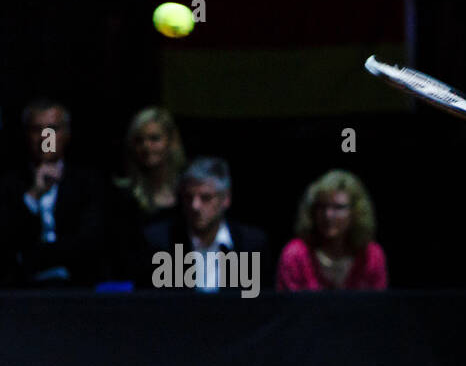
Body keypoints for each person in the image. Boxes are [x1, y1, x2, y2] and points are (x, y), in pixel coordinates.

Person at [0, 98, 107, 287]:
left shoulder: (89, 182)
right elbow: (6, 242)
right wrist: (33, 196)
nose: (44, 137)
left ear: (67, 134)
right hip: (21, 290)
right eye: (36, 129)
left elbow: (90, 244)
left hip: (79, 288)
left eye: (53, 129)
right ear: (26, 135)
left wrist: (32, 256)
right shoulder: (9, 184)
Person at [140, 157, 267, 292]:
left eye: (205, 198)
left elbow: (260, 305)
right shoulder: (159, 243)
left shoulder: (251, 245)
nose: (195, 206)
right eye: (189, 197)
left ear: (226, 199)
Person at [108, 106, 186, 281]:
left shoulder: (189, 192)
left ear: (171, 141)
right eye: (139, 140)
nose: (146, 147)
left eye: (154, 139)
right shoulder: (122, 196)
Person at [276, 170, 387, 291]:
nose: (328, 215)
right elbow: (287, 307)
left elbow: (378, 307)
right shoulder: (296, 254)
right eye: (322, 207)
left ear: (356, 212)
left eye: (338, 207)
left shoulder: (371, 255)